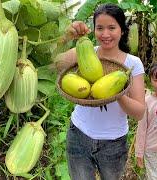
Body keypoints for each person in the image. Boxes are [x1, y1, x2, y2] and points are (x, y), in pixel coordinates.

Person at [54, 3, 145, 179]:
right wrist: (66, 38)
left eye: (112, 27)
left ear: (122, 30)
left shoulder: (133, 63)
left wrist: (118, 94)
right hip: (78, 136)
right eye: (100, 28)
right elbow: (54, 63)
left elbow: (139, 112)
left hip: (113, 144)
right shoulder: (86, 50)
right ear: (93, 30)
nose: (105, 34)